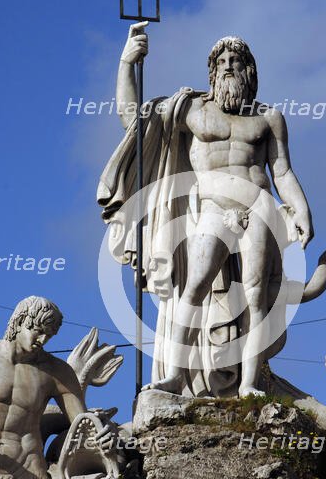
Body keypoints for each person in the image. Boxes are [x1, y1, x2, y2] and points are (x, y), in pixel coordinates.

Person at [98, 23, 314, 398]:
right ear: (212, 71)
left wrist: (301, 210)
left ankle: (248, 384)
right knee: (194, 288)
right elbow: (132, 121)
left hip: (259, 209)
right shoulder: (191, 110)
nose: (229, 66)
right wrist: (126, 62)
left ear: (249, 70)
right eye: (222, 61)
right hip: (214, 208)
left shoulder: (269, 117)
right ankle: (174, 376)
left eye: (236, 60)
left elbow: (282, 171)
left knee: (255, 297)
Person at [0, 296, 113, 479]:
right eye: (38, 331)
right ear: (20, 321)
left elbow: (81, 425)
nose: (42, 340)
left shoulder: (57, 372)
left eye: (49, 335)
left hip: (31, 477)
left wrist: (101, 441)